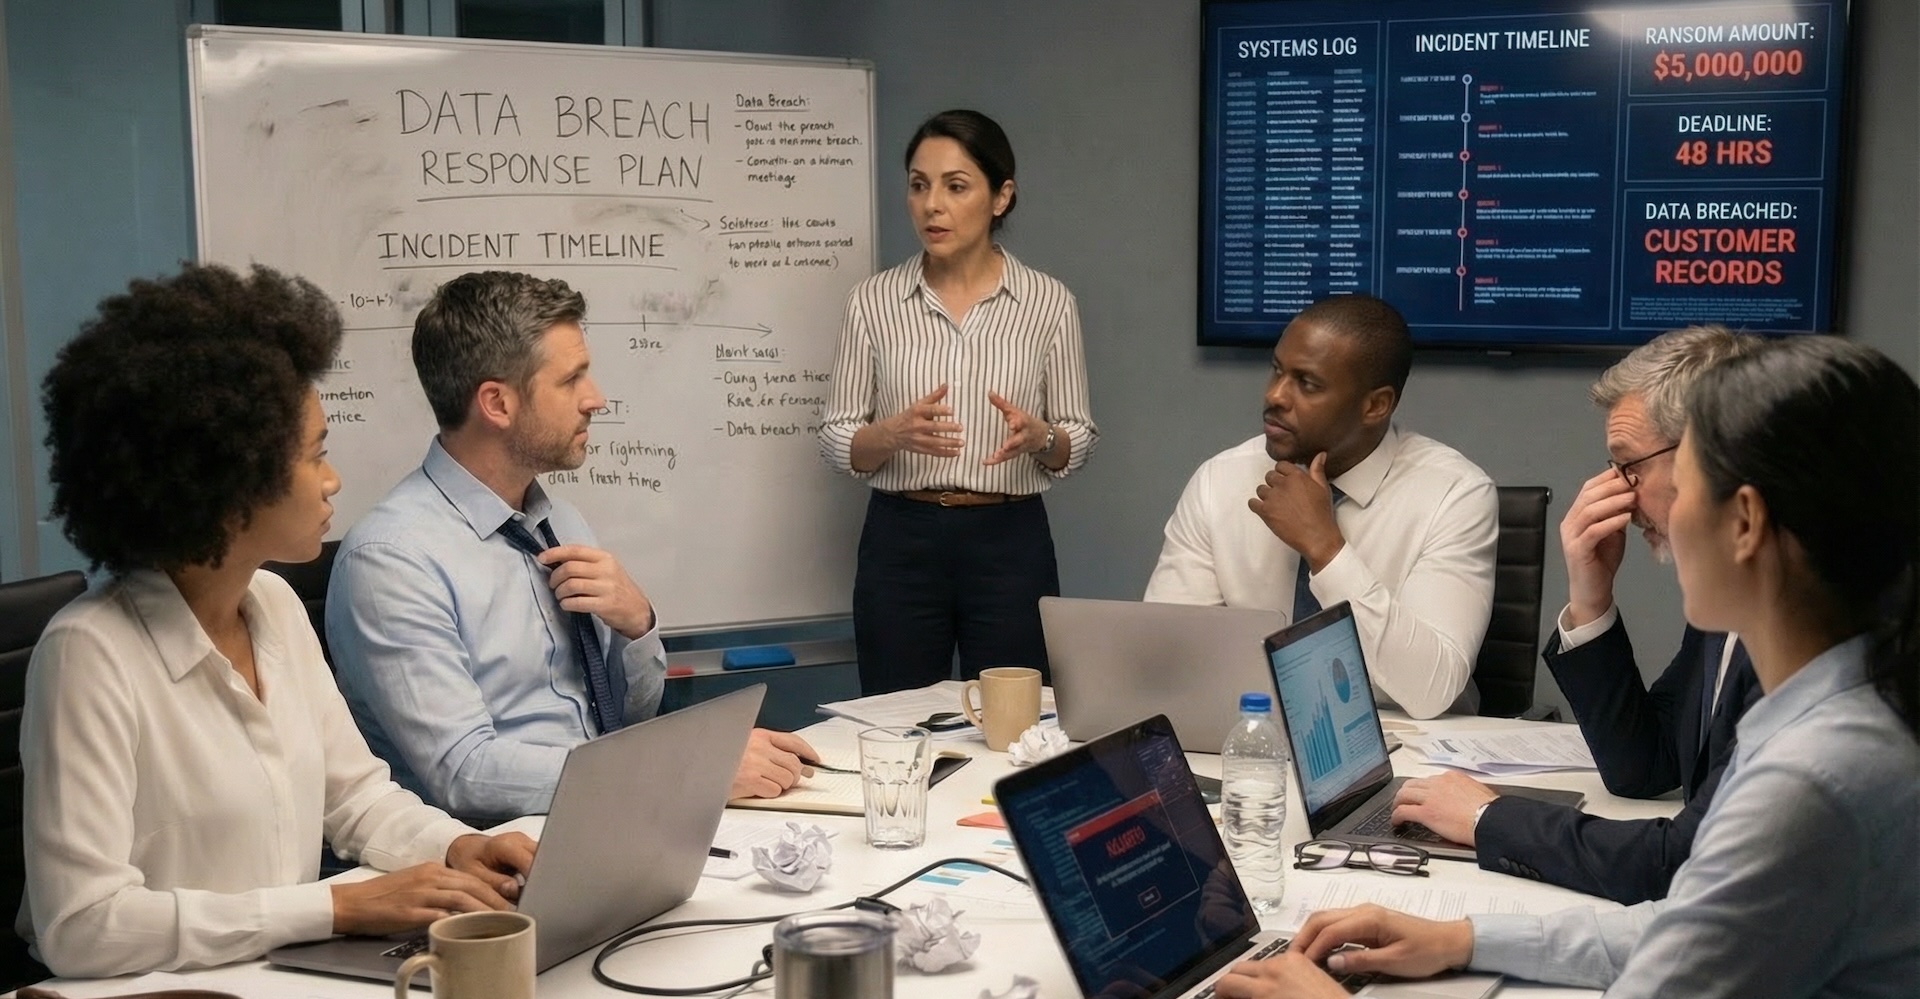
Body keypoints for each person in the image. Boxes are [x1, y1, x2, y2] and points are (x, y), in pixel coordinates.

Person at [1215, 335, 1919, 998]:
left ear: (1743, 521)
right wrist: (1464, 938)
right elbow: (1688, 923)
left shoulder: (1814, 779)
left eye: (1678, 481)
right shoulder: (1844, 708)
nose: (1630, 502)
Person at [21, 264, 534, 978]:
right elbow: (81, 926)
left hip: (275, 975)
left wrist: (456, 848)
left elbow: (355, 798)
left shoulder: (273, 604)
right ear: (230, 480)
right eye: (315, 455)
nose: (333, 479)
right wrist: (336, 907)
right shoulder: (89, 653)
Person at [328, 271, 817, 823]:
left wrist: (637, 626)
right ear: (497, 403)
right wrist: (687, 770)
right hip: (493, 854)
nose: (595, 399)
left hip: (606, 819)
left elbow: (624, 720)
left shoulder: (562, 523)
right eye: (571, 380)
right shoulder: (392, 560)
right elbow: (464, 773)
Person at [1390, 325, 1766, 904]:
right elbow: (1646, 766)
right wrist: (1591, 598)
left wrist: (1489, 819)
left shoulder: (1792, 625)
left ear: (1713, 459)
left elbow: (1686, 861)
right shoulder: (1727, 602)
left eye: (1629, 467)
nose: (1620, 496)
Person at [818, 109, 1098, 695]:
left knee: (1014, 720)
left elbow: (1077, 438)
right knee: (893, 717)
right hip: (902, 538)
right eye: (919, 185)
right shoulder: (872, 301)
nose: (931, 206)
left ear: (1001, 197)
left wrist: (1042, 437)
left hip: (1009, 540)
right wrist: (889, 435)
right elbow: (837, 437)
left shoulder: (1049, 303)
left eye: (955, 186)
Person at [1145, 295, 1497, 719]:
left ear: (1375, 405)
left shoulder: (1455, 494)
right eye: (1277, 370)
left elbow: (1431, 690)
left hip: (1409, 742)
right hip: (1252, 730)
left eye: (1307, 383)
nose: (1275, 395)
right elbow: (1167, 658)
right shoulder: (1220, 480)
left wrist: (1326, 549)